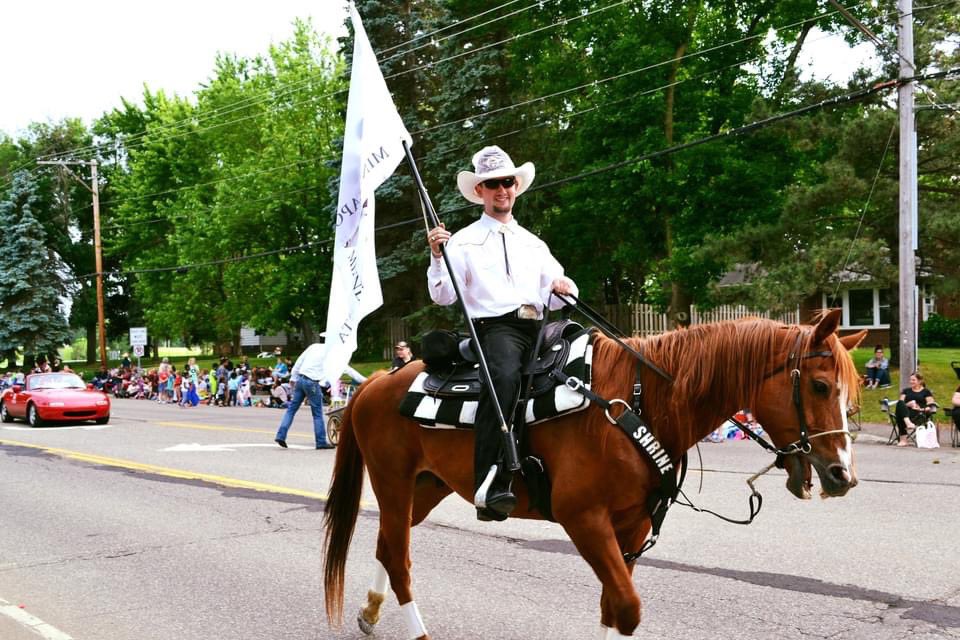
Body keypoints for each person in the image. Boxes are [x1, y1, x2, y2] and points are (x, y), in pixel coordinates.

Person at [426, 145, 577, 522]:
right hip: (496, 329)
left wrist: (563, 284)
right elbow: (443, 295)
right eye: (492, 184)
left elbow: (564, 295)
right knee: (505, 380)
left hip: (540, 326)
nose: (502, 190)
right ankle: (490, 483)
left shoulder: (533, 243)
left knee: (584, 365)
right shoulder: (461, 241)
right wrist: (436, 256)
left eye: (507, 182)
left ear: (516, 187)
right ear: (480, 191)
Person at [273, 342, 334, 449]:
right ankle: (320, 441)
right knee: (317, 414)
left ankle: (281, 435)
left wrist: (293, 377)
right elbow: (335, 370)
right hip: (312, 382)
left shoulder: (314, 346)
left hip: (301, 379)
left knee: (291, 410)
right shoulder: (333, 352)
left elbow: (300, 361)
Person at [894, 371, 937, 447]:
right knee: (900, 403)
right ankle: (908, 423)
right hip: (907, 411)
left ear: (920, 381)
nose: (911, 382)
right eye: (910, 380)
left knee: (900, 415)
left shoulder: (926, 392)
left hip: (919, 413)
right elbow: (901, 402)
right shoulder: (906, 391)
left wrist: (920, 409)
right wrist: (908, 404)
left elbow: (931, 405)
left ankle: (903, 440)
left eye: (913, 380)